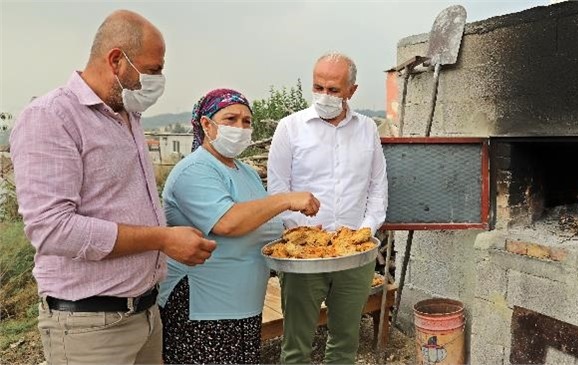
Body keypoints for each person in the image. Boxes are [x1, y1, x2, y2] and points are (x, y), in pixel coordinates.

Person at [9, 10, 217, 364]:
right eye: (152, 70)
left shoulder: (128, 114)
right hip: (90, 326)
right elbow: (52, 229)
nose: (159, 80)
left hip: (144, 314)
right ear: (117, 60)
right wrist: (163, 239)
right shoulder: (52, 117)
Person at [157, 88, 320, 364]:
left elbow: (262, 223)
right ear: (206, 125)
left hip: (244, 307)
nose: (240, 128)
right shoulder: (194, 170)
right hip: (203, 309)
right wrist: (286, 200)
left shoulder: (244, 172)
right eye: (231, 119)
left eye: (246, 121)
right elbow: (228, 222)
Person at [267, 52, 389, 364]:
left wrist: (367, 229)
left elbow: (377, 187)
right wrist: (301, 234)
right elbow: (277, 191)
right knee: (296, 345)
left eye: (333, 89)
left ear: (352, 90)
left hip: (354, 254)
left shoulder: (367, 130)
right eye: (318, 87)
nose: (324, 96)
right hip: (304, 255)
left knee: (346, 343)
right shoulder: (290, 128)